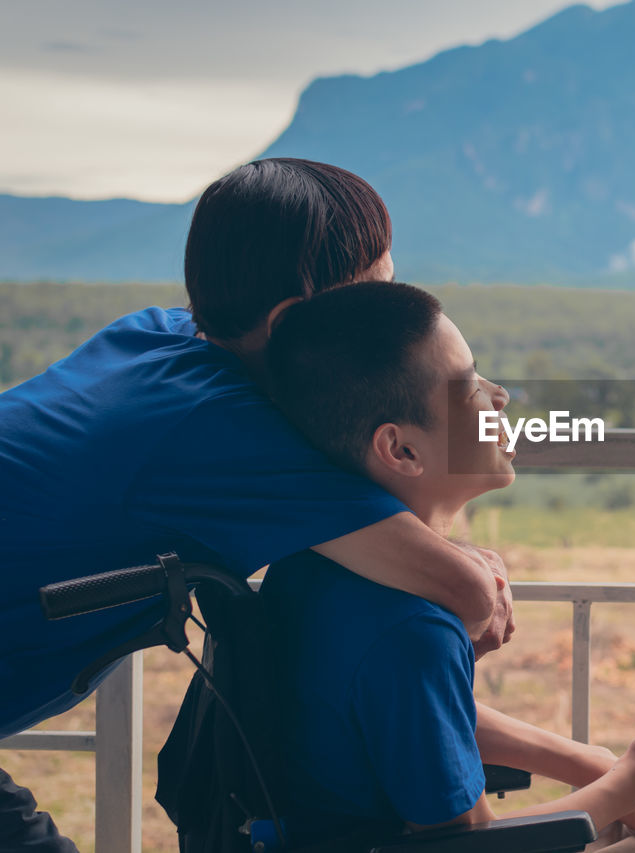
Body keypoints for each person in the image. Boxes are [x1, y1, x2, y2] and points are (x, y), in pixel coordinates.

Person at [0, 159, 509, 853]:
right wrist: (467, 583)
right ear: (292, 321)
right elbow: (464, 591)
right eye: (378, 296)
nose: (394, 319)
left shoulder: (157, 335)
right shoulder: (224, 429)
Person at [260, 281, 635, 851]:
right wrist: (633, 782)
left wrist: (602, 766)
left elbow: (420, 720)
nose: (498, 397)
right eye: (470, 386)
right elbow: (466, 845)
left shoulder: (322, 564)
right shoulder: (410, 626)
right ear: (401, 450)